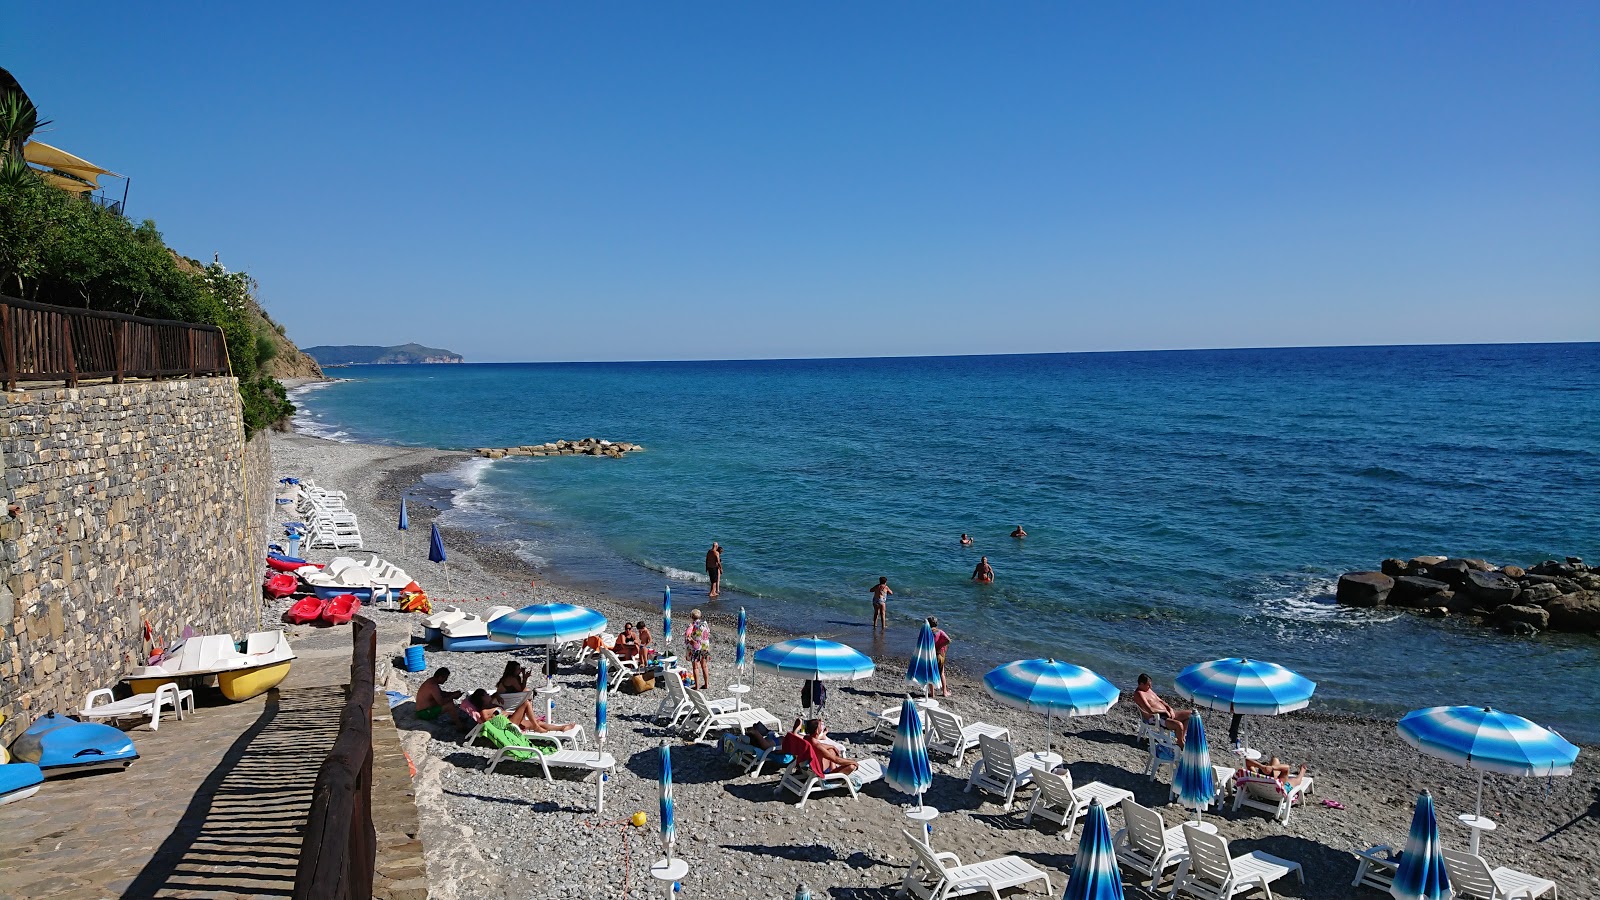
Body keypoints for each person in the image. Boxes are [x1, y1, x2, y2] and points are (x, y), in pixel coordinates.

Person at [1132, 673, 1192, 748]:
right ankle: (1181, 743)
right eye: (1148, 685)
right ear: (1141, 684)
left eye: (1150, 685)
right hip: (1155, 718)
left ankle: (1181, 738)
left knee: (1191, 714)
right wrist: (1164, 711)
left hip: (1166, 714)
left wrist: (1169, 708)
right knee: (1179, 725)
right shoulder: (1139, 694)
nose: (1150, 687)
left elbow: (1161, 701)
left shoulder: (1148, 690)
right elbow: (1150, 710)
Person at [685, 609, 711, 690]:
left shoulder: (692, 626)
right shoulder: (705, 624)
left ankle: (697, 686)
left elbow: (688, 636)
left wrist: (693, 641)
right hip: (704, 647)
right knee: (704, 666)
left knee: (695, 667)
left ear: (691, 617)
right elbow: (708, 633)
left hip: (696, 648)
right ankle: (706, 684)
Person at [928, 616, 951, 697]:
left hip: (931, 655)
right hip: (940, 655)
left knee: (930, 674)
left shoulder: (927, 633)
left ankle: (932, 693)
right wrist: (940, 646)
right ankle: (944, 692)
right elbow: (948, 640)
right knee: (941, 673)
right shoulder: (940, 632)